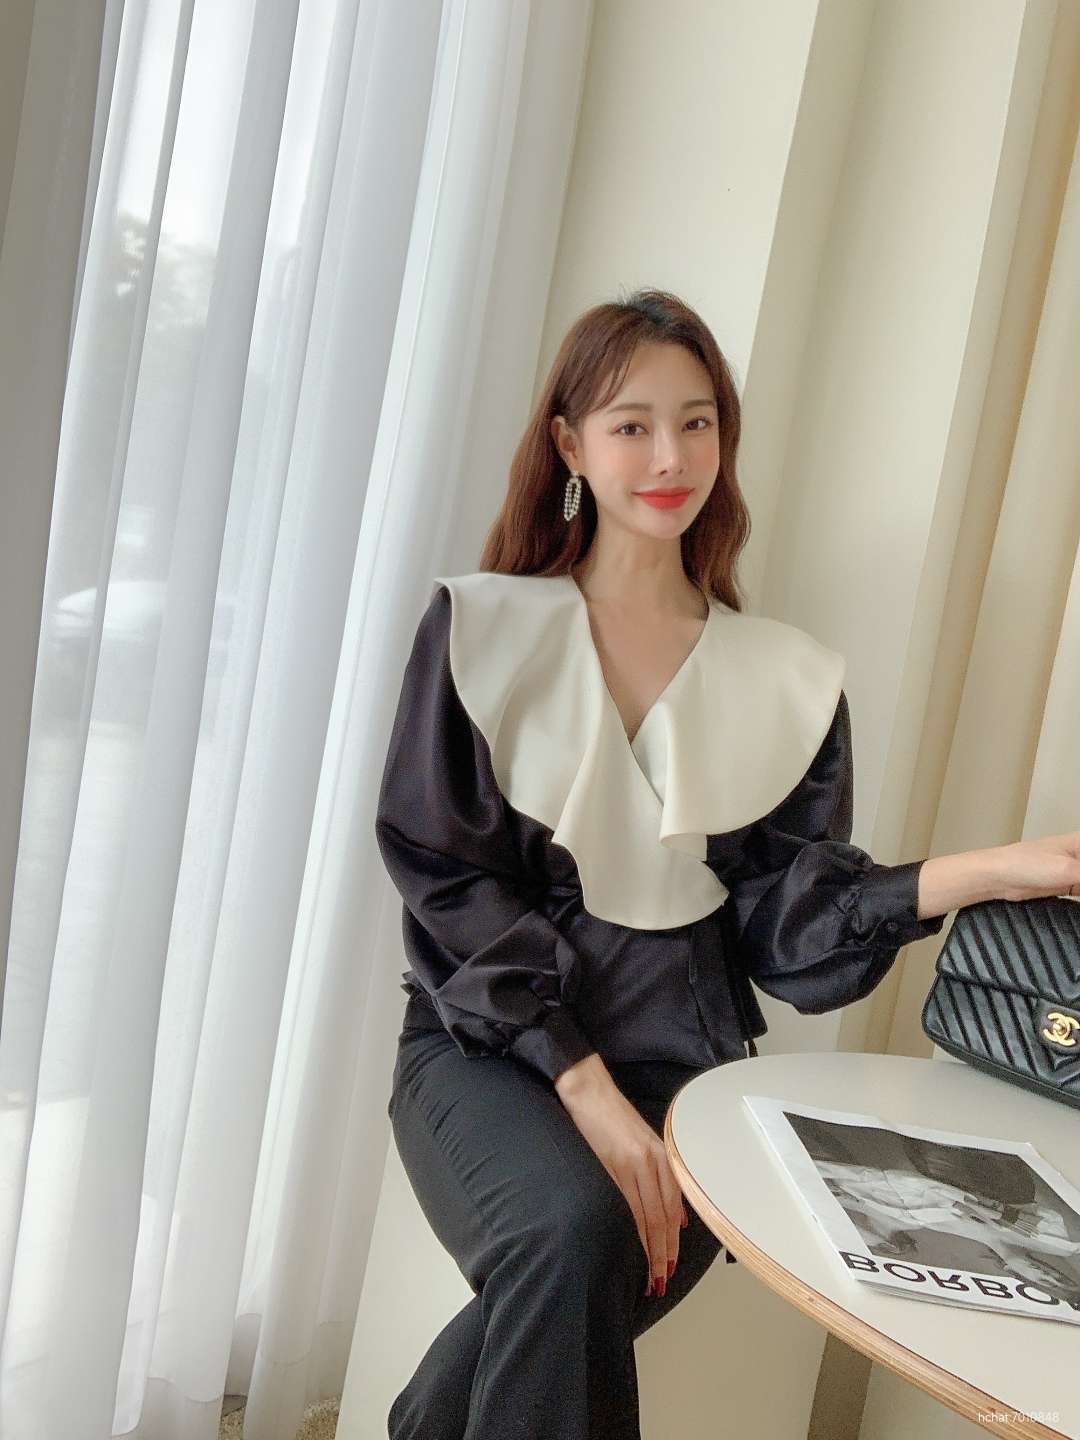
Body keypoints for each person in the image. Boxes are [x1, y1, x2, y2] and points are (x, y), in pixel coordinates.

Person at [374, 288, 954, 1440]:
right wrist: (583, 1084)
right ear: (569, 445)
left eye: (697, 422)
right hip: (491, 1053)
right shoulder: (482, 630)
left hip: (691, 1089)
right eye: (631, 424)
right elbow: (447, 876)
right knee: (571, 1232)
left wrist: (965, 877)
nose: (669, 456)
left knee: (538, 1310)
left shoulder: (786, 679)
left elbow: (786, 937)